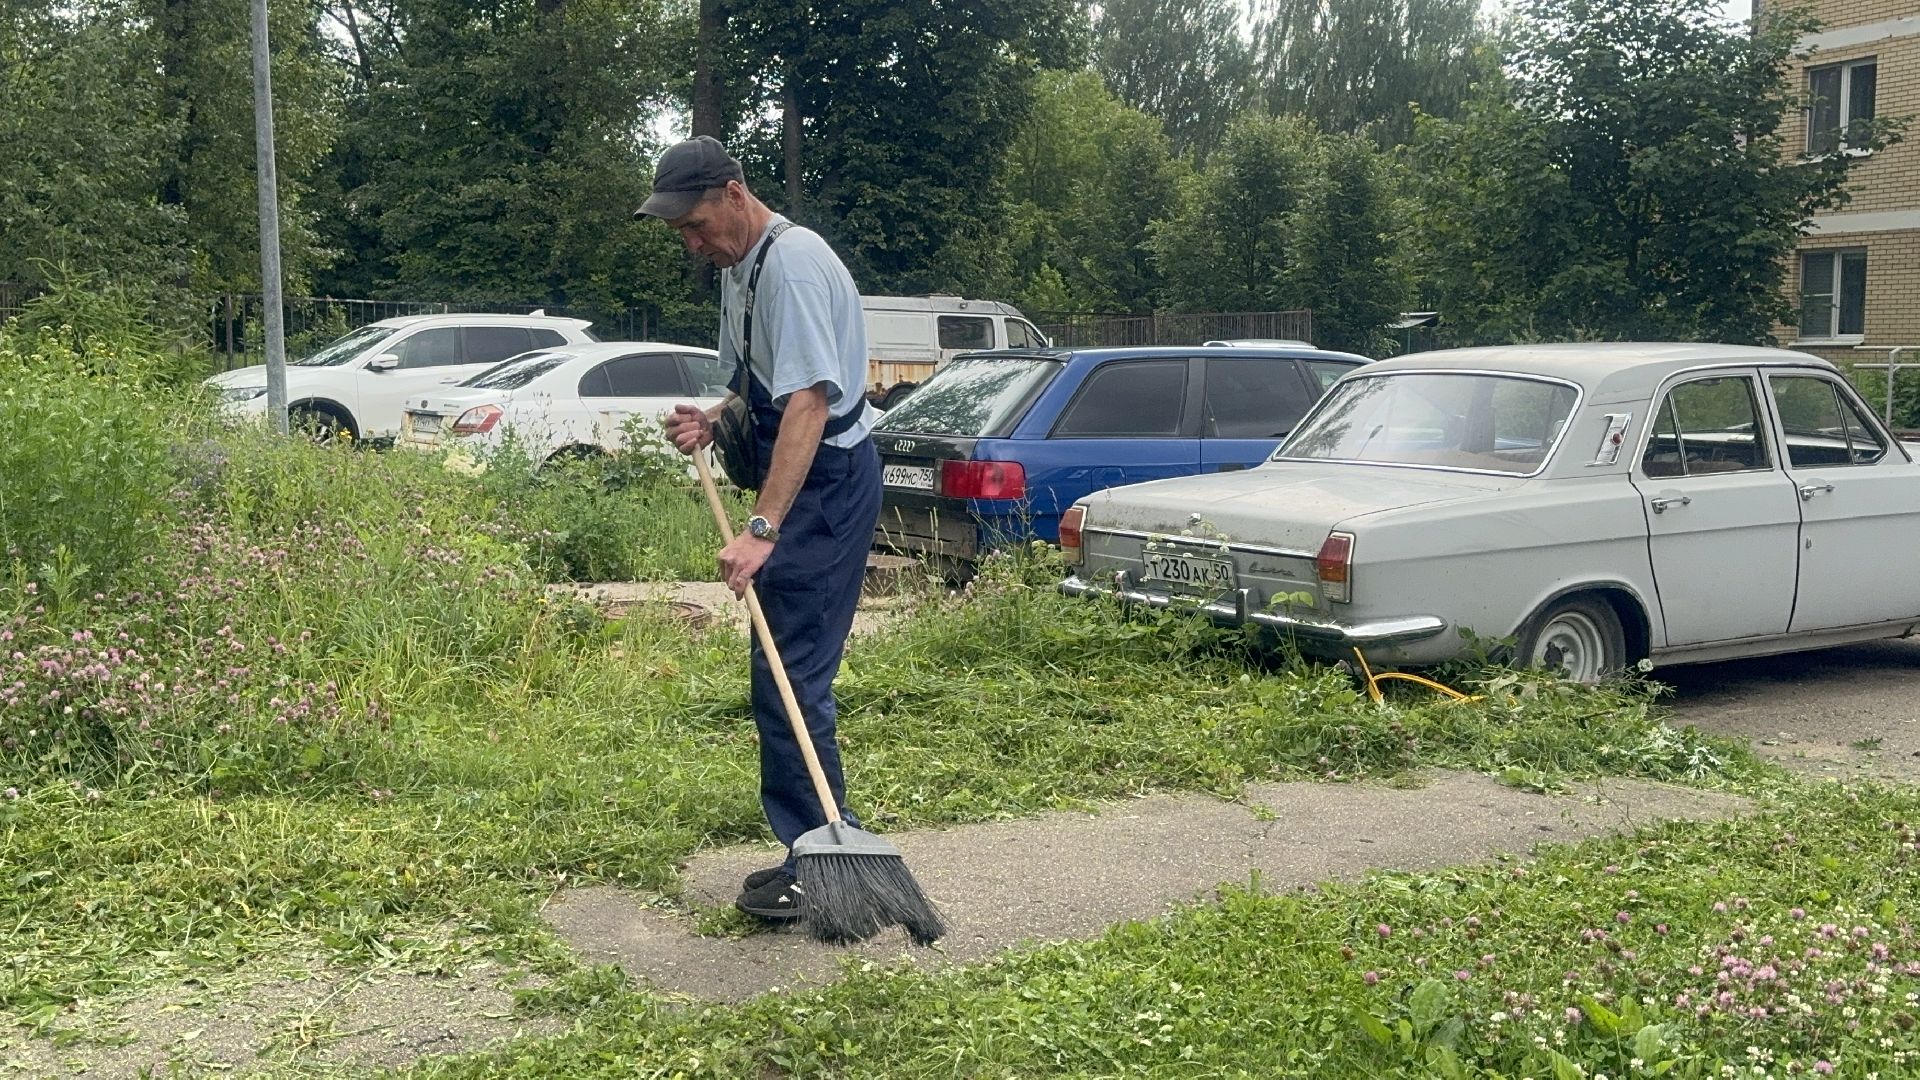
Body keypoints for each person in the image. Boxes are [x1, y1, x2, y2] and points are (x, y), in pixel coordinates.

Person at [638, 136, 881, 921]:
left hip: (823, 487)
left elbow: (811, 402)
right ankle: (814, 846)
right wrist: (714, 423)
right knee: (778, 676)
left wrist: (761, 528)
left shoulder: (794, 264)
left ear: (736, 193)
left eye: (699, 224)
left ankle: (821, 859)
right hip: (798, 477)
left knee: (791, 678)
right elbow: (766, 394)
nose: (693, 243)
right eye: (681, 233)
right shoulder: (742, 270)